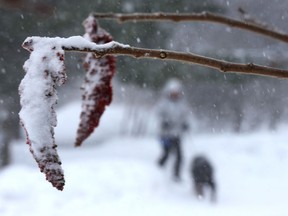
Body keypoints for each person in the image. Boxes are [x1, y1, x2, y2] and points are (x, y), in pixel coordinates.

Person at [155, 78, 191, 182]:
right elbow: (158, 114)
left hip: (177, 133)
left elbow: (185, 115)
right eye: (173, 93)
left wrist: (185, 124)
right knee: (166, 154)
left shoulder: (182, 104)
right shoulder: (163, 103)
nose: (175, 94)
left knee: (179, 156)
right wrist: (164, 122)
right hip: (165, 134)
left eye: (177, 93)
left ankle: (176, 175)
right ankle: (156, 171)